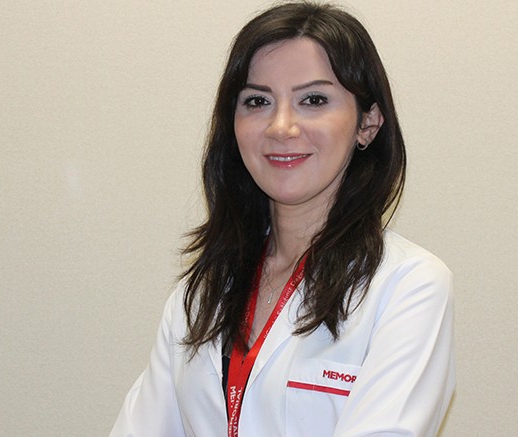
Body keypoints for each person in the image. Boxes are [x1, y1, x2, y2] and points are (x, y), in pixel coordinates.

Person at [111, 2, 454, 436]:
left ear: (367, 123)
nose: (281, 126)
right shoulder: (202, 291)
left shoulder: (409, 286)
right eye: (257, 101)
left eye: (313, 100)